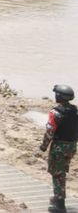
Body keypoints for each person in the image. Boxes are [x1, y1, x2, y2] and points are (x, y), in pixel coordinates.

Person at [40, 84, 78, 212]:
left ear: (59, 96)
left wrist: (44, 146)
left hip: (59, 147)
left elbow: (50, 131)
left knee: (57, 173)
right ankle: (57, 198)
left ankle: (60, 203)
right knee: (61, 171)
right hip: (71, 146)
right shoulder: (75, 111)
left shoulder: (55, 113)